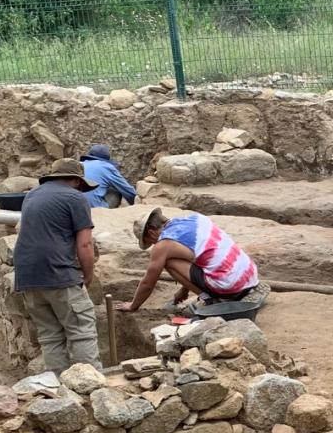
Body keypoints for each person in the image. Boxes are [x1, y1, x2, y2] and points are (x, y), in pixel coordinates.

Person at [13, 158, 100, 373]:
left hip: (27, 277)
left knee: (50, 337)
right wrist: (87, 276)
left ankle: (60, 391)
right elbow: (85, 243)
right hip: (59, 272)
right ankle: (90, 389)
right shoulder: (75, 198)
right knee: (81, 331)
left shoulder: (31, 195)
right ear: (77, 181)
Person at [119, 207, 259, 314]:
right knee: (185, 256)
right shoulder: (196, 219)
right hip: (250, 277)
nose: (154, 245)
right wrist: (184, 290)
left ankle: (211, 300)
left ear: (150, 232)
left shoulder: (164, 244)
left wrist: (133, 305)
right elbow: (198, 257)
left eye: (150, 241)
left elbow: (148, 283)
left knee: (166, 260)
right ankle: (212, 295)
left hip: (229, 285)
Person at [80, 144, 136, 209]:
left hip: (74, 206)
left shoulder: (79, 164)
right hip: (94, 209)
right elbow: (128, 191)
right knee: (116, 189)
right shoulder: (106, 166)